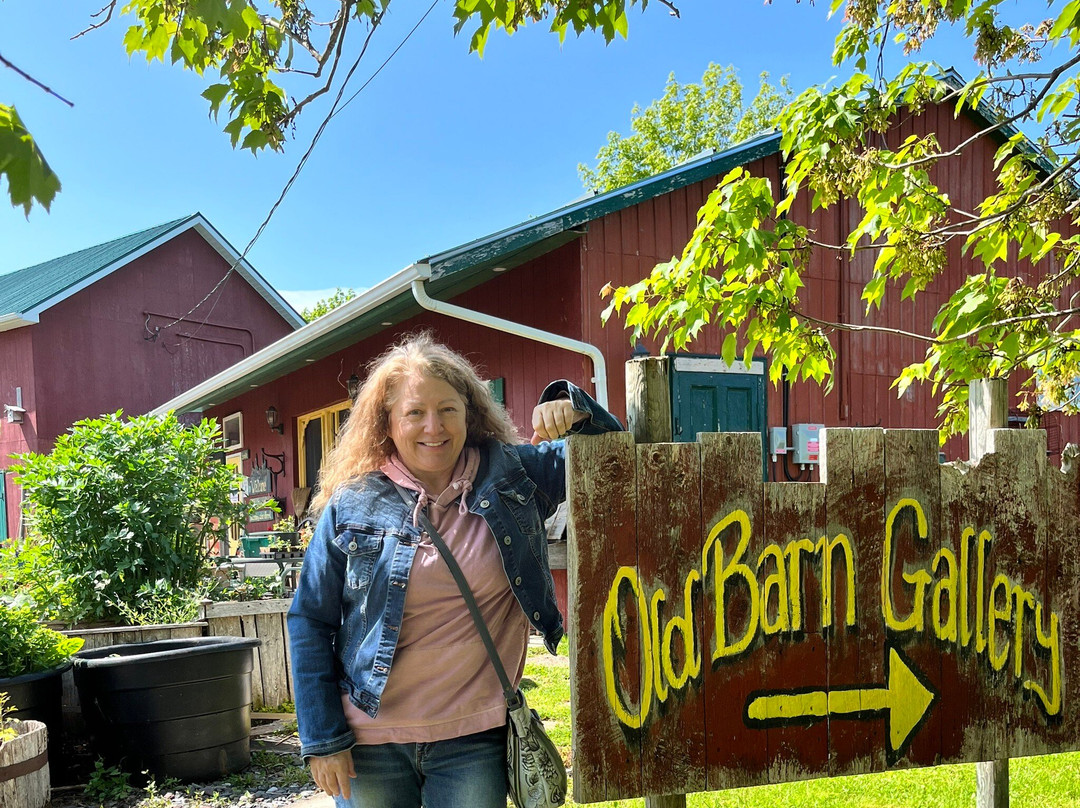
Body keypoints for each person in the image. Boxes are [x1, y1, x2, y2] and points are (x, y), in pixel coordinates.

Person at [287, 333, 622, 808]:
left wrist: (576, 409)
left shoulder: (513, 476)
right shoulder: (352, 504)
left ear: (469, 412)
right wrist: (323, 740)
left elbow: (614, 461)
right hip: (370, 741)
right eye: (414, 412)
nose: (433, 427)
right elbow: (309, 620)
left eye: (447, 409)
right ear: (387, 422)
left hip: (474, 738)